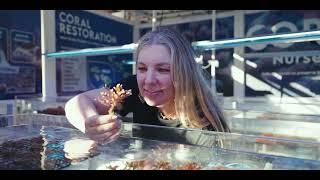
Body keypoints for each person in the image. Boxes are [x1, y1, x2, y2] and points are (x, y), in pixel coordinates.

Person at [65, 27, 230, 147]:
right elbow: (77, 103)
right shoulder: (133, 87)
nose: (148, 81)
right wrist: (89, 124)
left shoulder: (206, 128)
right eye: (142, 68)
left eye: (163, 69)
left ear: (184, 74)